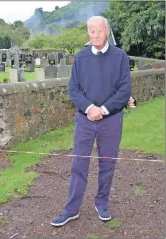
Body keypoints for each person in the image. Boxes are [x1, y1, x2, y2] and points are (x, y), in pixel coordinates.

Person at [51, 16, 132, 227]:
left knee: (107, 163)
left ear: (107, 32)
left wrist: (103, 110)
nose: (96, 35)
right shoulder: (80, 57)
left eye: (100, 31)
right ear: (88, 33)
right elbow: (74, 90)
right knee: (79, 163)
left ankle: (102, 203)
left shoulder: (121, 57)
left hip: (111, 120)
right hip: (85, 119)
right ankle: (71, 209)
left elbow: (124, 91)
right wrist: (89, 108)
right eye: (92, 31)